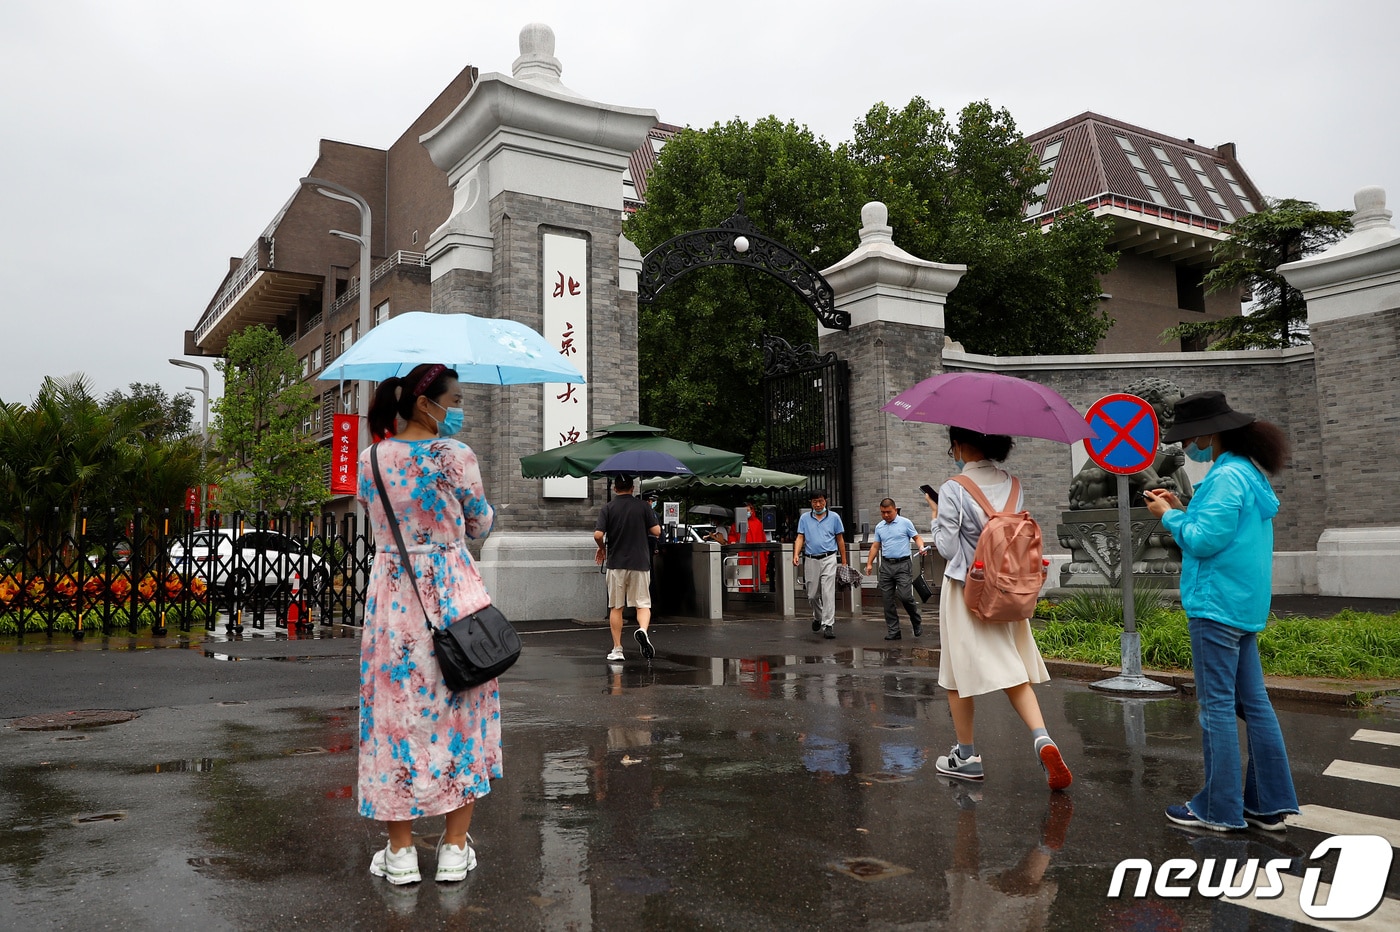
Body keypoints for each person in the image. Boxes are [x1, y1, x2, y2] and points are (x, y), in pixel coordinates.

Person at [357, 363, 499, 885]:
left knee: (393, 719)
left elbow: (372, 514)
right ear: (425, 402)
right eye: (453, 399)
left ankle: (399, 855)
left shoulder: (370, 459)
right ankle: (454, 849)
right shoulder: (455, 456)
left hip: (394, 600)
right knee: (461, 710)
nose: (457, 408)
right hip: (453, 597)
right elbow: (479, 523)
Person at [1143, 391, 1299, 832]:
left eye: (1190, 436)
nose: (1188, 446)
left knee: (1215, 708)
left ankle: (1219, 808)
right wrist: (1180, 507)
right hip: (1244, 604)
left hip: (1215, 604)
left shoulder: (1225, 476)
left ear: (1208, 433)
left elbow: (1203, 541)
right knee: (1255, 704)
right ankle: (1267, 805)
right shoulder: (1248, 472)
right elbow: (1220, 528)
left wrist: (1167, 517)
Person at [927, 427, 1071, 791]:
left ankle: (967, 756)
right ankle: (1043, 739)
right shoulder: (1014, 483)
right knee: (1013, 668)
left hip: (967, 590)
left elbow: (945, 547)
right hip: (1007, 589)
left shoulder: (953, 487)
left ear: (958, 444)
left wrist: (935, 514)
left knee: (957, 675)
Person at [594, 475, 662, 662]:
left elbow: (598, 534)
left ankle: (617, 649)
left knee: (616, 607)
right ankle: (642, 630)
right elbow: (657, 531)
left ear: (615, 489)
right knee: (643, 604)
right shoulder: (643, 507)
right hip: (640, 562)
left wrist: (601, 548)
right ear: (633, 488)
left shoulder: (608, 508)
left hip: (616, 564)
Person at [864, 498, 927, 640]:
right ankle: (894, 631)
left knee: (905, 596)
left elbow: (917, 537)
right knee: (887, 600)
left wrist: (921, 547)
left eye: (888, 512)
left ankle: (916, 620)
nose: (886, 515)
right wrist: (869, 563)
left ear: (895, 510)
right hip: (886, 565)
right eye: (882, 512)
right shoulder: (880, 527)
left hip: (903, 564)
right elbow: (875, 546)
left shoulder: (905, 523)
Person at [792, 490, 848, 639]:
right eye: (815, 502)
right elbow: (800, 537)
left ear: (826, 501)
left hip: (829, 557)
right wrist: (796, 554)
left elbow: (840, 539)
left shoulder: (834, 517)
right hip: (811, 559)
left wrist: (844, 560)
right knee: (812, 594)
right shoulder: (805, 518)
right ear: (811, 503)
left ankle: (828, 624)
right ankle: (818, 616)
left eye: (821, 501)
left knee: (828, 592)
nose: (818, 504)